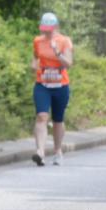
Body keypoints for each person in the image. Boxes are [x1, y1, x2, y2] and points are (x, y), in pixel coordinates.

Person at [31, 12, 73, 167]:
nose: (45, 32)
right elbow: (36, 57)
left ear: (55, 27)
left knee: (58, 120)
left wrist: (57, 52)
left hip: (60, 85)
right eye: (44, 29)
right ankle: (40, 152)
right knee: (41, 116)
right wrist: (34, 65)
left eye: (48, 29)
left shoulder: (64, 41)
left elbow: (68, 63)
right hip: (42, 84)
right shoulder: (38, 41)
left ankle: (57, 151)